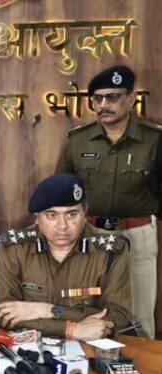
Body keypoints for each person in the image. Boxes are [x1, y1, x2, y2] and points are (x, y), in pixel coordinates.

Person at [56, 65, 160, 338]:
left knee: (140, 315)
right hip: (92, 235)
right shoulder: (78, 140)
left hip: (137, 235)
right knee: (90, 309)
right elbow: (62, 191)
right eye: (98, 99)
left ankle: (142, 364)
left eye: (113, 97)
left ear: (131, 98)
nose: (104, 105)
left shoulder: (154, 139)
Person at [0, 173, 131, 340]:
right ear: (37, 218)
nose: (62, 226)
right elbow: (5, 314)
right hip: (32, 344)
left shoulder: (111, 250)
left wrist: (48, 310)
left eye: (71, 214)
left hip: (92, 343)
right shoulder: (15, 248)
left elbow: (118, 316)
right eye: (51, 215)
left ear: (84, 214)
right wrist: (71, 329)